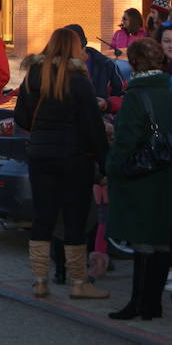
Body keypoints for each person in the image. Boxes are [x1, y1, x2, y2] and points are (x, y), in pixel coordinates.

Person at [14, 28, 109, 299]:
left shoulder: (34, 74)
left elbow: (21, 115)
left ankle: (40, 280)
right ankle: (79, 282)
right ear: (75, 49)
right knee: (74, 220)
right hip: (74, 158)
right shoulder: (80, 80)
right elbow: (93, 127)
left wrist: (39, 129)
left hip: (40, 157)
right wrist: (105, 164)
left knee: (43, 217)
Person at [105, 38, 172, 321]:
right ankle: (153, 304)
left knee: (143, 241)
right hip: (167, 175)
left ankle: (138, 304)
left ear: (134, 63)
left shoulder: (136, 95)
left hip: (141, 177)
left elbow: (125, 142)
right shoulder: (169, 91)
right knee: (162, 240)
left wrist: (111, 169)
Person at [64, 24, 124, 112]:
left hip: (101, 118)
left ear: (83, 46)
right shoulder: (56, 67)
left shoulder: (106, 65)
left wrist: (106, 104)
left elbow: (123, 96)